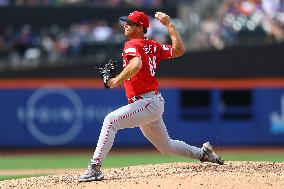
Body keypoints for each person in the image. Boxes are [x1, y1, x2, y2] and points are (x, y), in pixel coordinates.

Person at [79, 11, 224, 182]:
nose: (126, 25)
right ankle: (203, 153)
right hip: (151, 102)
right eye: (126, 22)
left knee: (110, 121)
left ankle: (94, 168)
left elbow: (137, 63)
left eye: (130, 23)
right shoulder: (153, 46)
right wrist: (169, 25)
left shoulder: (132, 44)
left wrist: (115, 81)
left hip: (146, 102)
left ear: (140, 28)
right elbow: (179, 50)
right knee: (166, 145)